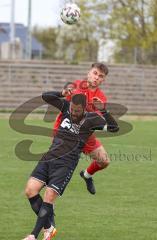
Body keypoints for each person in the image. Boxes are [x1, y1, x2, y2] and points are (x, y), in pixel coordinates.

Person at [22, 90, 119, 240]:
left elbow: (114, 128)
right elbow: (46, 96)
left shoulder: (92, 119)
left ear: (85, 109)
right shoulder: (66, 107)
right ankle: (49, 226)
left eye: (77, 111)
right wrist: (61, 92)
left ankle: (33, 235)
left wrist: (103, 110)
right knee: (30, 190)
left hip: (65, 164)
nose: (73, 113)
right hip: (49, 157)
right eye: (72, 110)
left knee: (49, 196)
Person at [53, 62, 110, 195]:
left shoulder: (101, 98)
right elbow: (63, 109)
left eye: (100, 76)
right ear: (89, 73)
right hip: (66, 134)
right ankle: (49, 200)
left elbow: (95, 121)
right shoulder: (75, 86)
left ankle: (87, 175)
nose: (96, 77)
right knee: (58, 171)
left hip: (85, 135)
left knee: (104, 161)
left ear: (103, 79)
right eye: (95, 73)